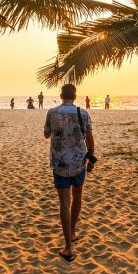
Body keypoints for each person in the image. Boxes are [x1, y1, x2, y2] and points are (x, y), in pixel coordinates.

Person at [44, 83, 95, 263]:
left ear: (61, 95)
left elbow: (46, 134)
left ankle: (68, 248)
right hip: (79, 162)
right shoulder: (83, 113)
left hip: (60, 163)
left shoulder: (52, 112)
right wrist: (91, 158)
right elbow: (89, 139)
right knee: (78, 196)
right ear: (74, 96)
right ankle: (72, 232)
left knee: (64, 203)